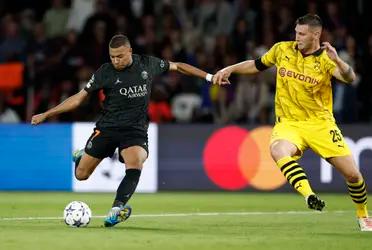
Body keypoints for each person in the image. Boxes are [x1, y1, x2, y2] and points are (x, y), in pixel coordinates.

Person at [31, 34, 219, 227]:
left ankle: (116, 209)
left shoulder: (146, 64)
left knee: (135, 161)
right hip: (108, 127)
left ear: (130, 51)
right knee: (81, 175)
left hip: (135, 129)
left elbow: (178, 66)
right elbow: (78, 98)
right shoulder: (105, 72)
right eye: (112, 56)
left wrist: (209, 77)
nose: (115, 60)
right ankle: (82, 156)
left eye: (119, 56)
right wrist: (47, 113)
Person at [213, 14, 372, 231]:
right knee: (278, 150)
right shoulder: (282, 50)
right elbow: (256, 65)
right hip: (289, 123)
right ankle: (309, 196)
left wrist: (338, 61)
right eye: (296, 32)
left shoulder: (327, 58)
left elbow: (350, 78)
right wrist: (230, 68)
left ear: (316, 34)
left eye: (302, 34)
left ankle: (363, 214)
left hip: (320, 124)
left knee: (353, 175)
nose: (297, 37)